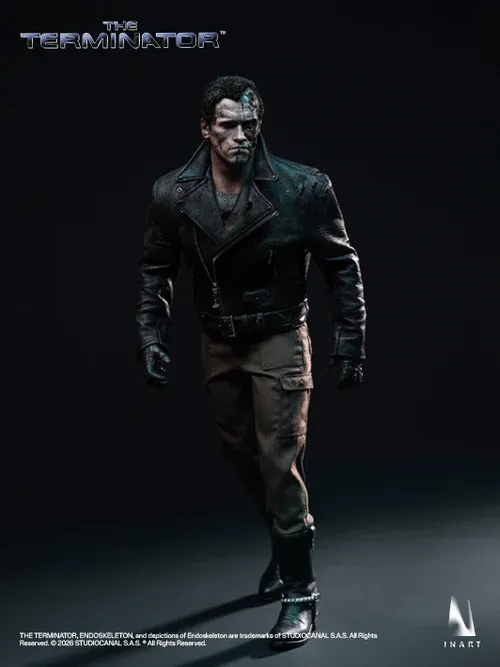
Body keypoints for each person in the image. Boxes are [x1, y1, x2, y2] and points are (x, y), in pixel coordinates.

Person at [136, 75, 366, 650]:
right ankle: (286, 546)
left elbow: (341, 264)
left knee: (279, 461)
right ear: (205, 129)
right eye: (229, 125)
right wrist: (151, 333)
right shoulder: (173, 194)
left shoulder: (301, 187)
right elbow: (156, 267)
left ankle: (301, 591)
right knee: (243, 454)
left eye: (250, 124)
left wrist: (350, 338)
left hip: (280, 337)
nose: (241, 136)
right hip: (219, 342)